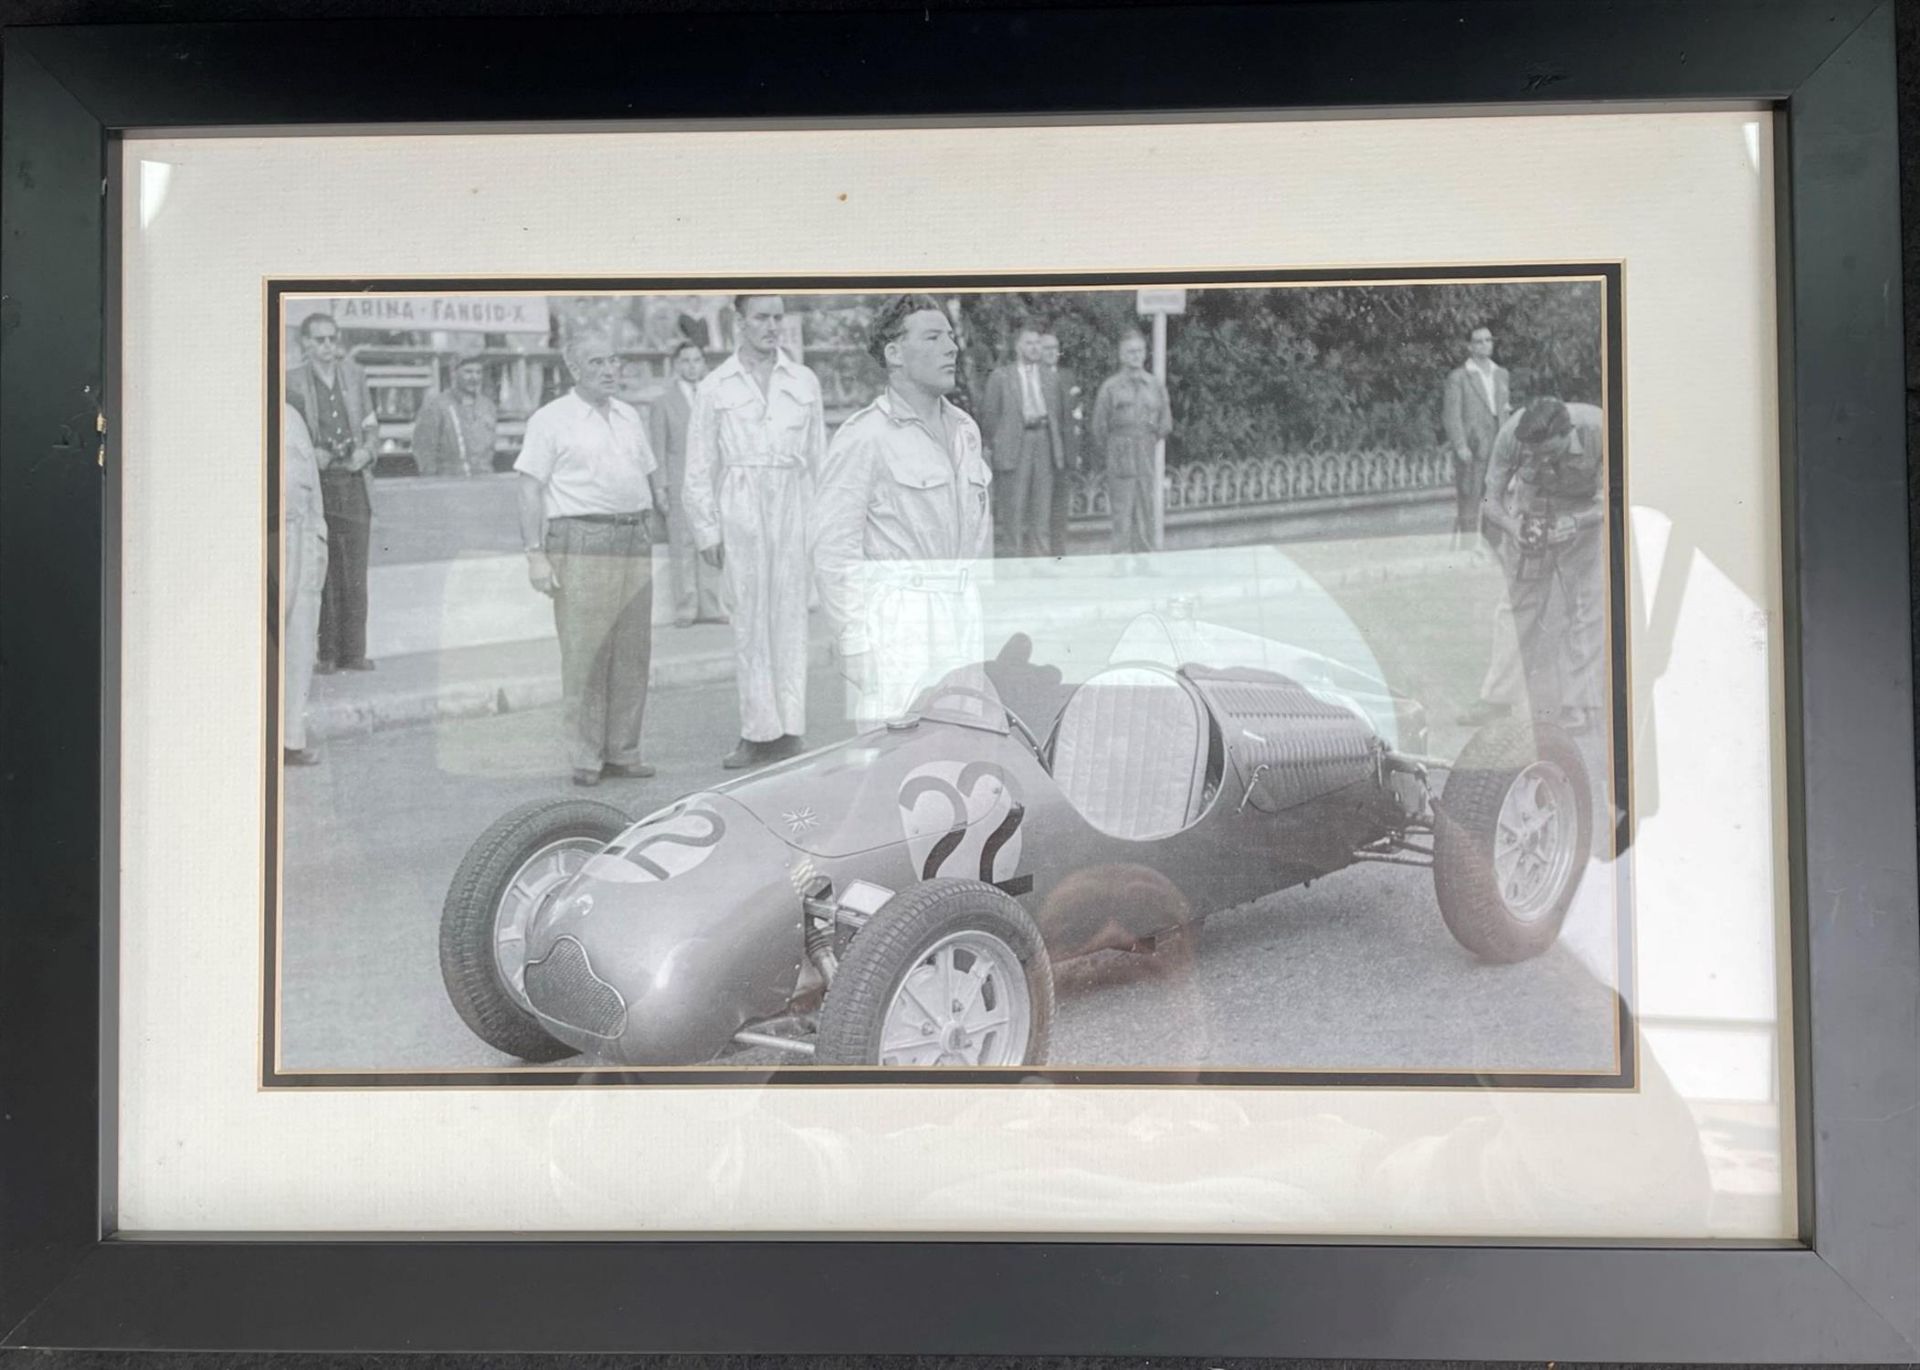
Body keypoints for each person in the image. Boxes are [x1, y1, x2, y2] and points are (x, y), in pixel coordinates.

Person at [811, 294, 993, 726]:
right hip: (898, 625)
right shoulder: (865, 437)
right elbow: (833, 550)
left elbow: (977, 533)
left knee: (964, 755)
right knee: (896, 769)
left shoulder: (966, 430)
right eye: (932, 337)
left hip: (962, 616)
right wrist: (854, 645)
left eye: (950, 337)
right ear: (894, 353)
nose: (951, 348)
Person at [514, 333, 668, 786]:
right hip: (580, 538)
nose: (609, 370)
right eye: (597, 362)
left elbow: (648, 472)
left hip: (633, 536)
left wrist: (660, 502)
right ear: (574, 370)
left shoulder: (628, 416)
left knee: (632, 650)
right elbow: (527, 488)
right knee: (586, 651)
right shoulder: (550, 419)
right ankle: (586, 757)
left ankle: (623, 749)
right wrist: (535, 555)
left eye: (614, 360)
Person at [684, 295, 826, 770]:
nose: (772, 327)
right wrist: (707, 529)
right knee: (749, 622)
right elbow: (700, 464)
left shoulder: (803, 380)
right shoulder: (715, 386)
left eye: (778, 318)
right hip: (741, 504)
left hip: (793, 498)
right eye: (761, 318)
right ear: (739, 323)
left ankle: (789, 730)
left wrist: (822, 525)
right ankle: (755, 731)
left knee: (790, 617)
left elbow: (820, 456)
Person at [1478, 397, 1608, 730]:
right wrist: (1511, 526)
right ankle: (1498, 699)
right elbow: (1490, 499)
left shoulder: (1600, 429)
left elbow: (1616, 500)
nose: (1542, 461)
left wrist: (1578, 522)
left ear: (1569, 433)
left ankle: (1576, 705)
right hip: (1531, 511)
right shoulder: (1510, 435)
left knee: (1585, 609)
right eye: (1533, 456)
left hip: (1583, 515)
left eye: (1550, 453)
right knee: (1518, 604)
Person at [285, 312, 379, 673]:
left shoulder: (354, 377)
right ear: (305, 343)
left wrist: (366, 452)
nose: (327, 347)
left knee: (355, 570)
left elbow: (371, 425)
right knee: (320, 569)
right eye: (319, 340)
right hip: (318, 486)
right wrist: (313, 454)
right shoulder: (291, 381)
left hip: (354, 484)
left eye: (331, 340)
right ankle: (327, 654)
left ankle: (354, 652)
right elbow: (287, 433)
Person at [648, 341, 728, 628]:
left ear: (704, 364)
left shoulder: (715, 398)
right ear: (676, 365)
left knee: (712, 541)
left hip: (712, 481)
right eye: (685, 361)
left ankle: (711, 605)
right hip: (679, 481)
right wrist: (661, 486)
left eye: (697, 360)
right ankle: (686, 608)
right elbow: (657, 449)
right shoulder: (663, 403)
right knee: (682, 545)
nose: (692, 366)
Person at [981, 323, 1072, 558]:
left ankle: (1039, 561)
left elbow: (1060, 416)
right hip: (1015, 444)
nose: (1035, 348)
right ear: (1017, 346)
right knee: (1014, 507)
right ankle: (1013, 562)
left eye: (1038, 343)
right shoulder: (1001, 377)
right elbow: (990, 417)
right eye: (1029, 343)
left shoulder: (1050, 378)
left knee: (1042, 506)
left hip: (1044, 442)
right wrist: (999, 444)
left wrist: (1059, 452)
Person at [1090, 330, 1172, 570]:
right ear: (1121, 355)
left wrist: (1146, 440)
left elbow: (1165, 422)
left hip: (1146, 451)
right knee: (1122, 508)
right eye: (1130, 352)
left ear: (1145, 353)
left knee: (1146, 506)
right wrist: (1118, 447)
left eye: (1139, 351)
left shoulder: (1155, 385)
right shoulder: (1111, 387)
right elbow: (1099, 426)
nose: (1135, 356)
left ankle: (1144, 560)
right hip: (1120, 452)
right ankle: (1119, 561)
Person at [281, 403, 329, 767]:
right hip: (265, 534)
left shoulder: (292, 416)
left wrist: (318, 540)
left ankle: (290, 739)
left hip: (301, 534)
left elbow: (311, 484)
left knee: (300, 641)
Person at [1440, 324, 1511, 541]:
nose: (1485, 345)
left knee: (1495, 499)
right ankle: (1469, 549)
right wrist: (1460, 445)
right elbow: (1451, 415)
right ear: (1469, 346)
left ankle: (1493, 548)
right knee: (1470, 498)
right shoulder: (1460, 377)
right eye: (1479, 341)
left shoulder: (1501, 374)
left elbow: (1504, 410)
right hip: (1473, 447)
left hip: (1497, 448)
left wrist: (1507, 443)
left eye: (1488, 340)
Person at [409, 355, 498, 478]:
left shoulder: (487, 406)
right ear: (454, 373)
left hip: (483, 479)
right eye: (468, 372)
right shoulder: (436, 406)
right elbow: (424, 450)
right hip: (449, 482)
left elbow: (489, 450)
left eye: (478, 372)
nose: (474, 377)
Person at [1039, 331, 1081, 556]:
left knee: (1060, 504)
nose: (1051, 352)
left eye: (1055, 347)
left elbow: (1075, 417)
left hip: (1064, 452)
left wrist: (1073, 453)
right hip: (1042, 451)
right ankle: (1041, 551)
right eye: (1046, 348)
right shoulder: (1033, 377)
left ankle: (1058, 552)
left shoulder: (1067, 377)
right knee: (1041, 505)